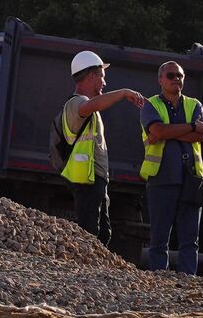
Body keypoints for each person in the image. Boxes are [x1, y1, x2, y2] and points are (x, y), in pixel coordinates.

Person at [59, 50, 146, 245]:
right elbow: (89, 107)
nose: (105, 83)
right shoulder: (76, 104)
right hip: (86, 179)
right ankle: (85, 272)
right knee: (91, 233)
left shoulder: (90, 106)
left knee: (103, 234)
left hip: (95, 178)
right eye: (102, 77)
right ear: (91, 76)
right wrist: (124, 93)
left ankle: (95, 271)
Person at [140, 60, 203, 275]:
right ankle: (160, 282)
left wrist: (167, 132)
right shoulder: (150, 105)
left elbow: (202, 133)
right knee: (159, 239)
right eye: (171, 75)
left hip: (192, 178)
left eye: (179, 75)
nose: (176, 79)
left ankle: (188, 282)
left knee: (190, 239)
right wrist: (189, 127)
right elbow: (158, 131)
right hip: (161, 178)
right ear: (160, 80)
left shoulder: (194, 104)